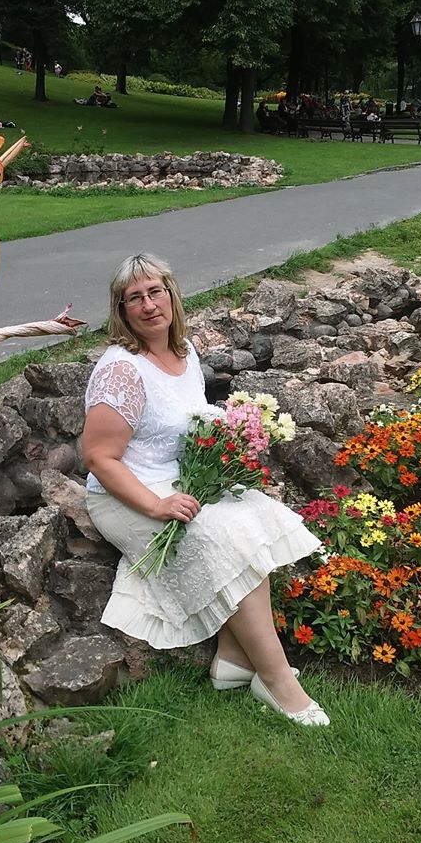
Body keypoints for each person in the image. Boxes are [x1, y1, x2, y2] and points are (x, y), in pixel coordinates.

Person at [82, 254, 330, 727]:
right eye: (135, 298)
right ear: (121, 310)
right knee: (222, 538)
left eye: (155, 292)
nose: (149, 305)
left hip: (180, 478)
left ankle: (233, 660)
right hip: (125, 493)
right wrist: (156, 504)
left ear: (172, 295)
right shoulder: (122, 371)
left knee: (255, 516)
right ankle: (277, 681)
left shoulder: (184, 351)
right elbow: (98, 458)